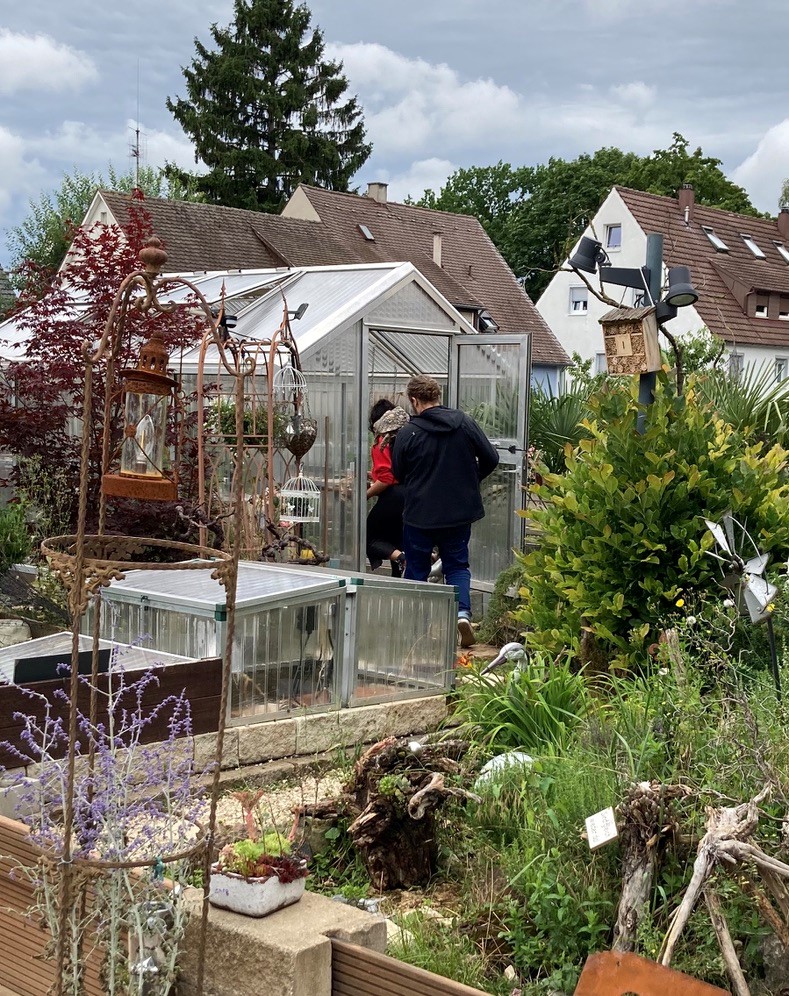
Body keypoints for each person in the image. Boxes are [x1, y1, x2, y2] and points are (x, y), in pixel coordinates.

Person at [391, 375, 499, 648]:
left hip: (420, 514)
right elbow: (491, 457)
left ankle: (416, 627)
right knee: (457, 565)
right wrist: (470, 481)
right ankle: (462, 613)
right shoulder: (464, 423)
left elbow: (398, 473)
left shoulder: (408, 432)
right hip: (458, 512)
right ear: (438, 396)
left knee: (416, 568)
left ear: (414, 400)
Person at [366, 400, 409, 577]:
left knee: (368, 538)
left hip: (394, 497)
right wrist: (372, 475)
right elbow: (394, 470)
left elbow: (386, 479)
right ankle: (400, 578)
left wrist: (366, 495)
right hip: (413, 495)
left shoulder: (383, 440)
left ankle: (402, 558)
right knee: (397, 540)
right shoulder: (407, 436)